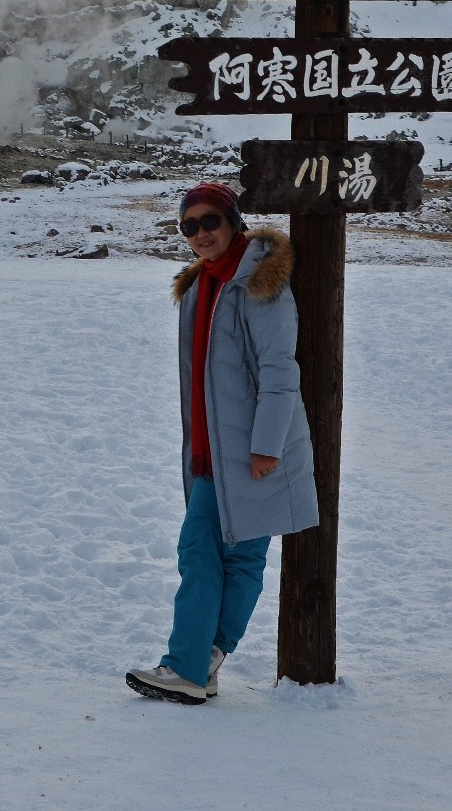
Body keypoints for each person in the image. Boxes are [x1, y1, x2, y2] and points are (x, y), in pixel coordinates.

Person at [126, 182, 319, 705]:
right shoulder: (199, 286)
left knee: (216, 553)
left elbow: (279, 370)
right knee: (220, 554)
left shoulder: (258, 282)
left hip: (254, 450)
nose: (200, 235)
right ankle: (204, 661)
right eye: (188, 226)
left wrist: (266, 447)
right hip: (211, 449)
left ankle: (188, 665)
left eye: (209, 221)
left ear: (233, 220)